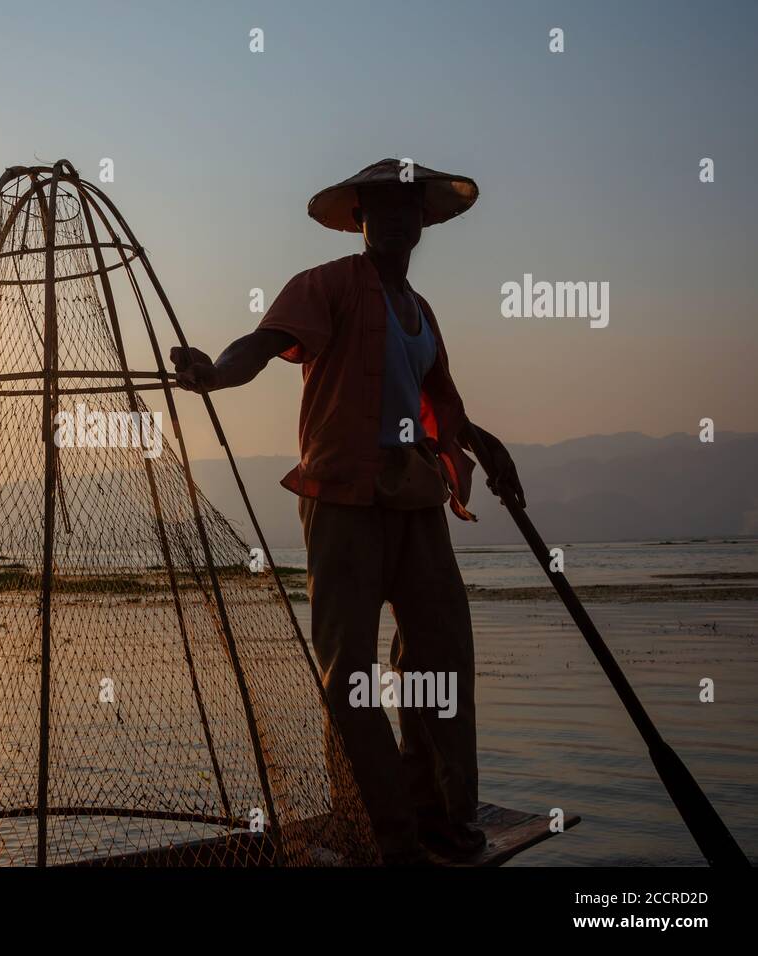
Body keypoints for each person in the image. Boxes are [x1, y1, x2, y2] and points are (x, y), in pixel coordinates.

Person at [170, 158, 526, 864]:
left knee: (441, 655)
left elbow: (439, 410)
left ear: (423, 221)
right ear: (360, 220)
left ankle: (436, 809)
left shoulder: (421, 314)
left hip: (415, 497)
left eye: (408, 209)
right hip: (342, 499)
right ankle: (380, 823)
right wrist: (214, 375)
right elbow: (261, 346)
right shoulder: (326, 285)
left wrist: (488, 449)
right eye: (381, 210)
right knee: (350, 670)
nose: (396, 221)